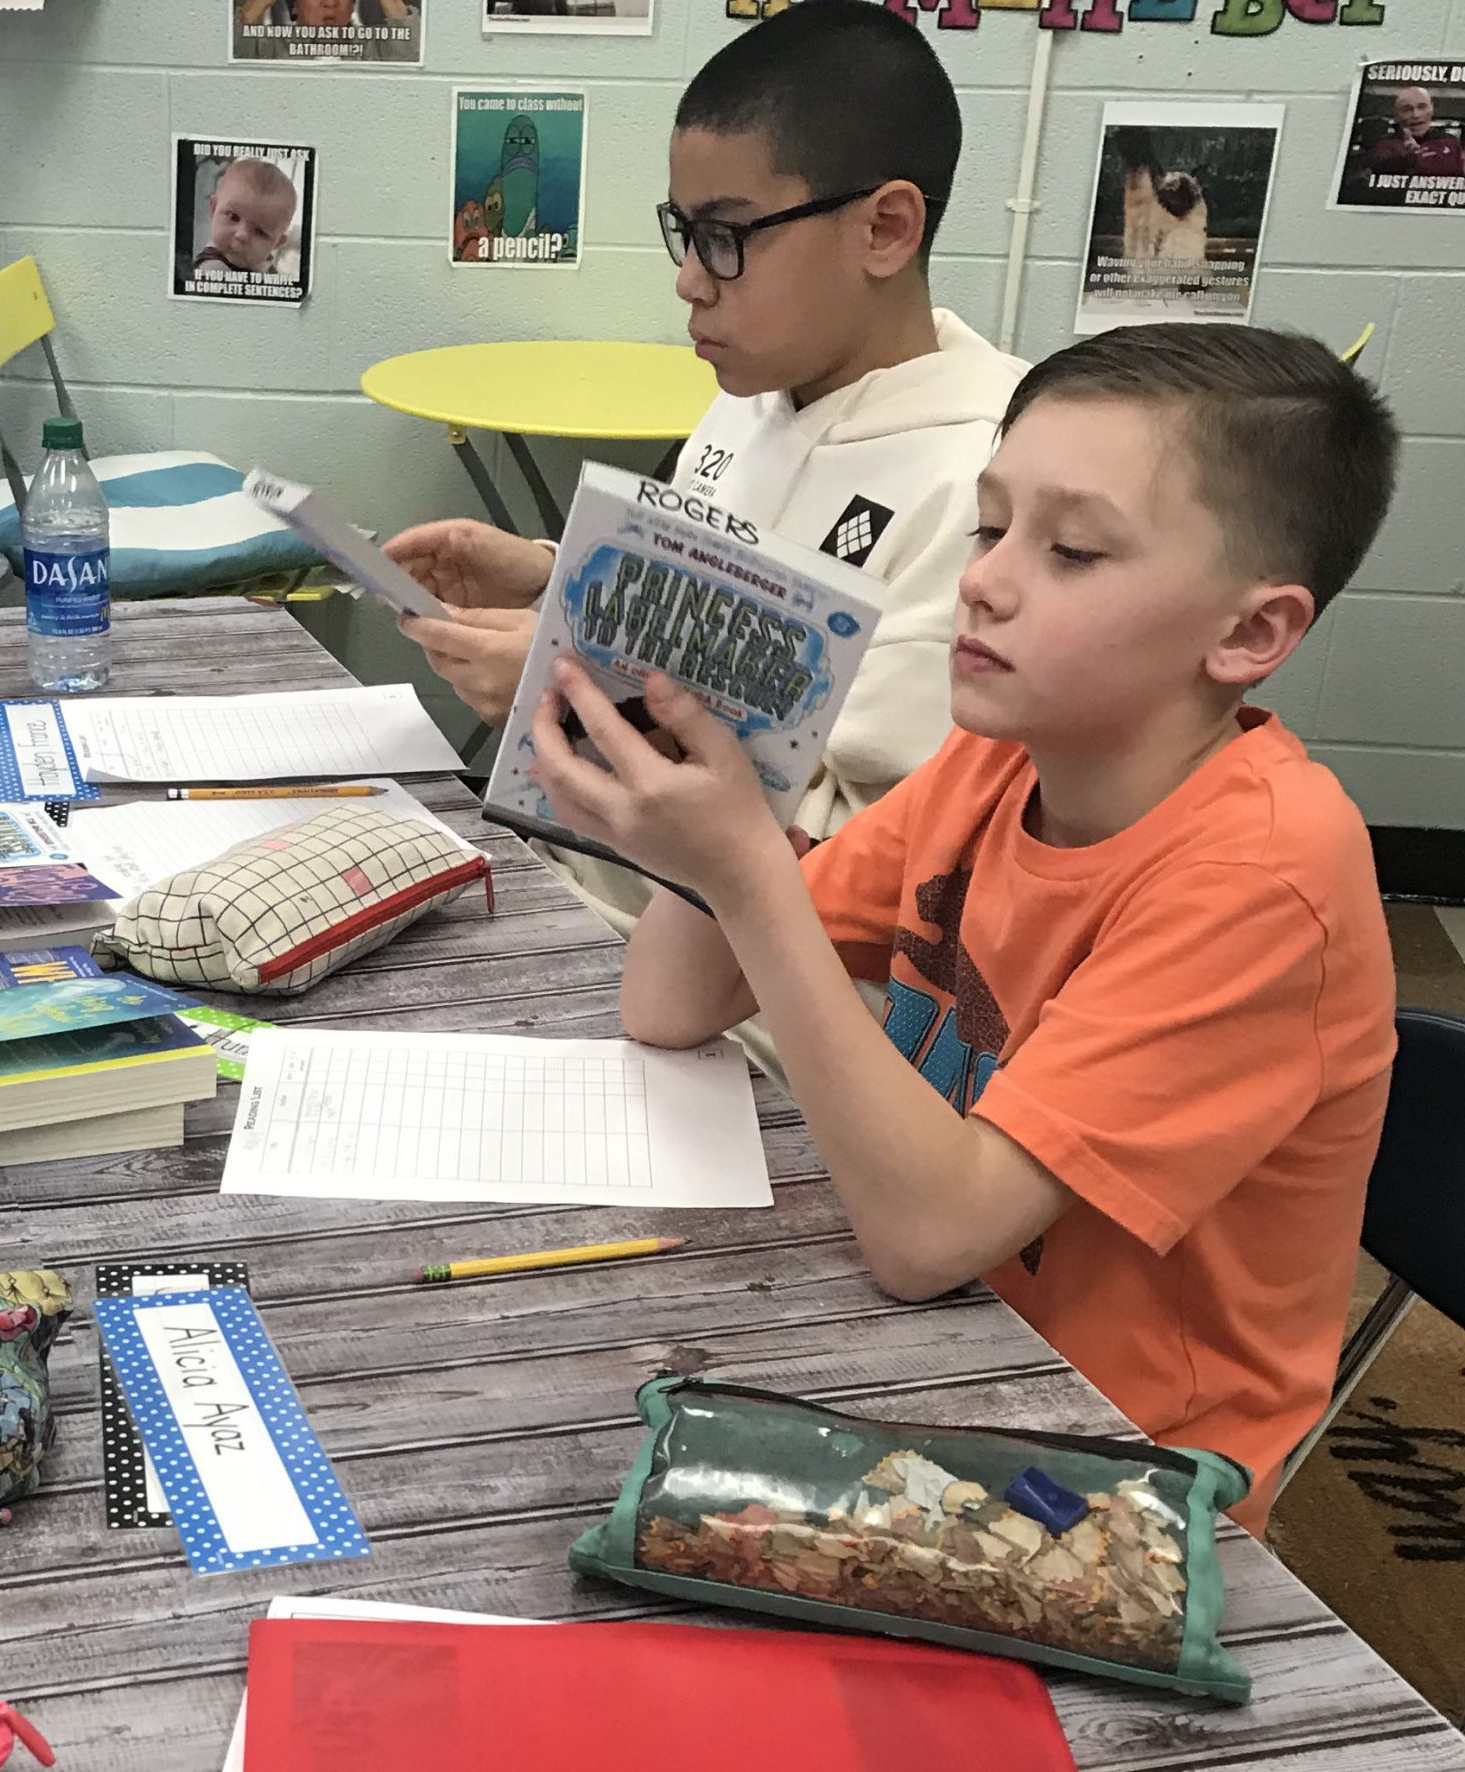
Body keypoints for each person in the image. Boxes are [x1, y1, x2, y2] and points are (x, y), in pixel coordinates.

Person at [570, 323, 1398, 1533]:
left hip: (1115, 1477)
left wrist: (748, 871)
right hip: (937, 1358)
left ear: (1250, 635)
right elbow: (672, 1004)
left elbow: (926, 1236)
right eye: (988, 525)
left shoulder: (1263, 876)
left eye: (1068, 549)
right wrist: (729, 777)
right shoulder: (993, 761)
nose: (986, 578)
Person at [394, 0, 1025, 954]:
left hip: (749, 994)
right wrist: (551, 577)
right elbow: (701, 616)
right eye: (683, 232)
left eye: (727, 235)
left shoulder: (992, 483)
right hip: (592, 891)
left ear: (887, 229)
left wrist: (560, 696)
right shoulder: (755, 395)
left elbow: (882, 850)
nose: (691, 278)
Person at [195, 155, 299, 276]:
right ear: (213, 209)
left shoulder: (266, 270)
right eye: (233, 217)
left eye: (260, 231)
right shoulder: (213, 271)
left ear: (276, 243)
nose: (242, 235)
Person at [1365, 83, 1465, 177]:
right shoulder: (1383, 146)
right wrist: (1406, 158)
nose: (1416, 115)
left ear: (1432, 108)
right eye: (1407, 109)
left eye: (1422, 107)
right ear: (1397, 115)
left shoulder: (1451, 142)